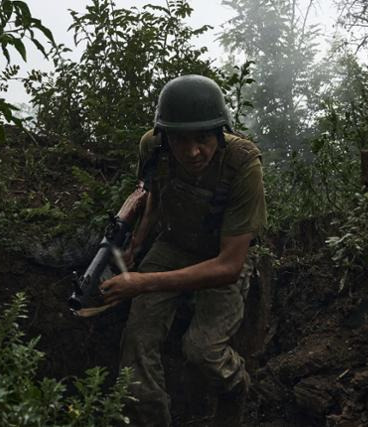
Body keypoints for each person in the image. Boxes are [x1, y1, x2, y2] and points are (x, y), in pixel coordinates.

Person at [99, 74, 266, 427]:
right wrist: (137, 244)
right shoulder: (152, 147)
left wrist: (142, 283)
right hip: (172, 245)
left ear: (220, 133)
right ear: (165, 136)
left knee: (203, 351)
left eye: (203, 139)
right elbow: (155, 196)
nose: (192, 152)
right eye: (180, 140)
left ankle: (236, 387)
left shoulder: (243, 163)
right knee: (137, 343)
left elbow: (229, 265)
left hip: (221, 255)